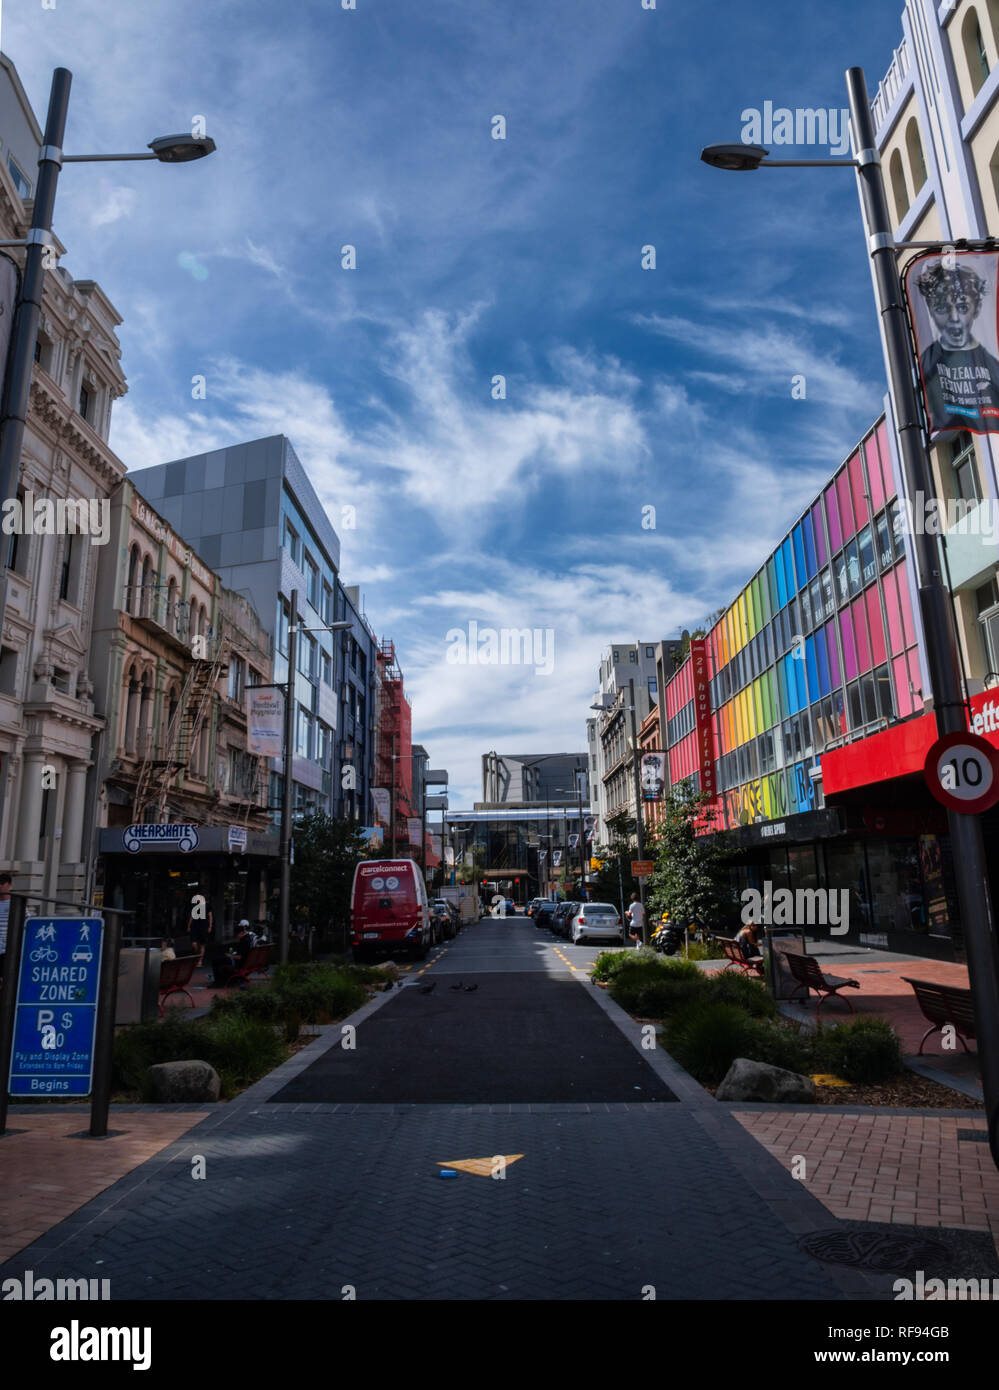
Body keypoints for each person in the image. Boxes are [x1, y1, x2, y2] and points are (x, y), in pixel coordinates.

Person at [914, 261, 999, 432]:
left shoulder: (994, 369)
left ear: (977, 308)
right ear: (930, 309)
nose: (954, 318)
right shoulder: (923, 372)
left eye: (962, 307)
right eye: (943, 308)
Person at [208, 923, 254, 988]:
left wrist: (230, 956)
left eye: (237, 934)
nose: (236, 936)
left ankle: (217, 983)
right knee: (220, 958)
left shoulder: (244, 941)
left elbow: (240, 957)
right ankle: (221, 980)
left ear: (241, 932)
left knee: (215, 961)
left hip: (239, 963)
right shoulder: (248, 938)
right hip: (245, 962)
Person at [187, 902, 214, 967]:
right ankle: (197, 955)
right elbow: (191, 916)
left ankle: (200, 961)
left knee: (202, 945)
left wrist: (210, 926)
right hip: (194, 927)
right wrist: (189, 926)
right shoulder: (195, 905)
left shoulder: (208, 906)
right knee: (194, 944)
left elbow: (210, 916)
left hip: (204, 927)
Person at [0, 873, 11, 983]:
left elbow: (27, 922)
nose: (0, 886)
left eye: (2, 883)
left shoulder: (15, 904)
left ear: (9, 885)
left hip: (6, 950)